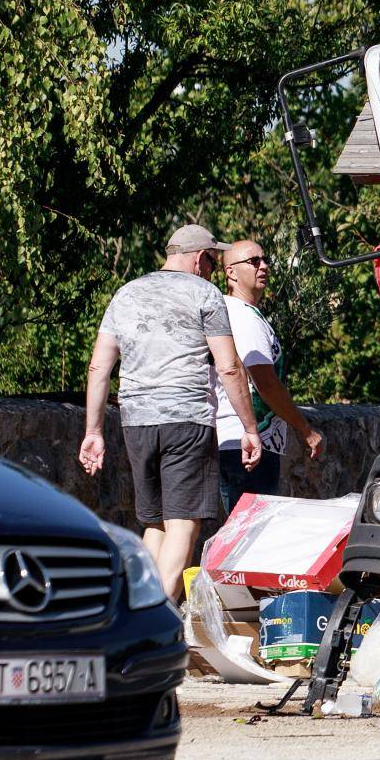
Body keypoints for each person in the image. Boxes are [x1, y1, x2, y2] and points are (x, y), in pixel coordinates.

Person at [79, 224, 261, 600]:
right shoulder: (205, 294)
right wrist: (249, 426)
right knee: (182, 524)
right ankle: (156, 619)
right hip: (187, 420)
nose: (212, 270)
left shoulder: (125, 294)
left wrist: (93, 431)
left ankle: (133, 608)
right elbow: (228, 366)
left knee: (155, 523)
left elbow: (99, 367)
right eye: (212, 261)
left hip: (137, 421)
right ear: (199, 258)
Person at [213, 239, 325, 511]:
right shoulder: (243, 316)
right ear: (231, 272)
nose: (263, 266)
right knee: (250, 538)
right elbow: (265, 382)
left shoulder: (239, 312)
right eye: (253, 261)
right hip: (248, 446)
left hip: (241, 444)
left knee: (242, 535)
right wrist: (305, 429)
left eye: (265, 260)